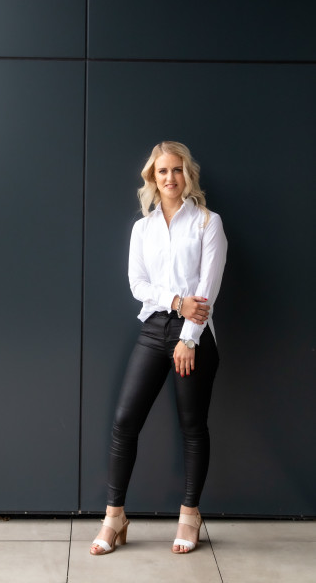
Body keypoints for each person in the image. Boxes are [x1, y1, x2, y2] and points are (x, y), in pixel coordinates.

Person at [90, 141, 227, 556]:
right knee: (124, 421)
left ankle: (189, 515)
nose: (170, 177)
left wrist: (189, 337)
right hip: (153, 329)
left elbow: (207, 289)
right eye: (162, 171)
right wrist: (175, 302)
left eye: (177, 169)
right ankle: (114, 517)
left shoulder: (208, 222)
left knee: (192, 427)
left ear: (188, 174)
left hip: (195, 335)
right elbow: (138, 284)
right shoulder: (143, 228)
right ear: (152, 177)